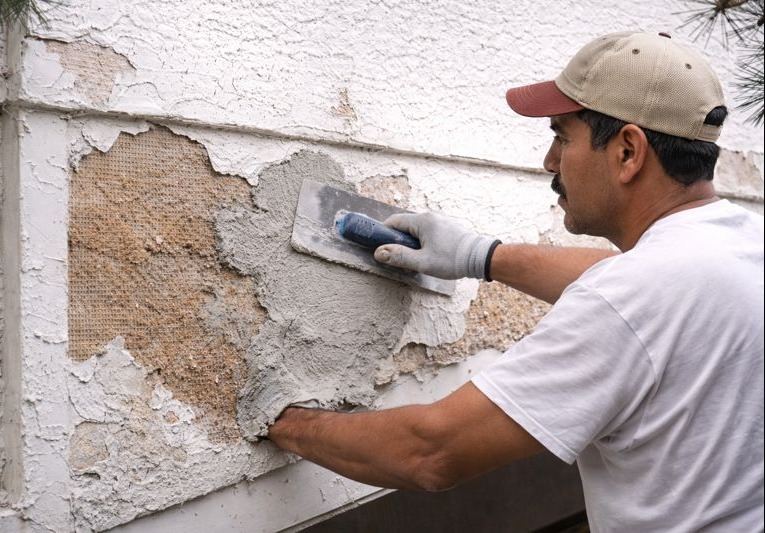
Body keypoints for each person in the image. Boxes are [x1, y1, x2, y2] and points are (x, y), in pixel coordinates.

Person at [269, 31, 764, 531]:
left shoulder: (631, 299)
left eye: (562, 137)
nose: (550, 161)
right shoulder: (742, 243)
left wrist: (284, 423)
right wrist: (479, 255)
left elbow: (429, 452)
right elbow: (627, 284)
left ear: (628, 151)